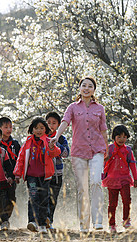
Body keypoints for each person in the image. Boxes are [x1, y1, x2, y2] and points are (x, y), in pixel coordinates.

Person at [49, 77, 108, 233]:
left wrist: (106, 147)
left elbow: (103, 130)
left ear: (94, 90)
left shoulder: (100, 109)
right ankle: (84, 224)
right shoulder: (73, 108)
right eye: (84, 86)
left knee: (96, 182)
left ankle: (97, 221)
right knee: (82, 188)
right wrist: (56, 136)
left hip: (97, 149)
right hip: (79, 152)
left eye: (90, 86)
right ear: (80, 88)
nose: (86, 88)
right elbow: (65, 122)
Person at [14, 117, 61, 234]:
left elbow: (56, 152)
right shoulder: (28, 142)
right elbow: (21, 158)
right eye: (36, 128)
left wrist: (51, 146)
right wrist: (17, 173)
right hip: (31, 176)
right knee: (33, 197)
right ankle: (32, 222)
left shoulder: (48, 141)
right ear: (32, 129)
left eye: (41, 128)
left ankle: (42, 224)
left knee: (44, 199)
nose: (39, 130)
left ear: (45, 129)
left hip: (45, 176)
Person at [102, 125, 137, 233]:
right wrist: (101, 176)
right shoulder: (109, 148)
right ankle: (111, 224)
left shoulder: (128, 150)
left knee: (127, 201)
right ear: (114, 137)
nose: (122, 139)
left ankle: (126, 220)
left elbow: (132, 164)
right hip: (112, 179)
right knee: (112, 203)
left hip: (125, 179)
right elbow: (103, 163)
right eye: (119, 136)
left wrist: (135, 178)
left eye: (124, 137)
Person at [45, 112, 70, 231]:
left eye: (54, 123)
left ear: (59, 125)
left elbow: (66, 154)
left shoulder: (62, 138)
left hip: (57, 174)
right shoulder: (41, 137)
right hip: (44, 173)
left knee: (53, 199)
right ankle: (42, 220)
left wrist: (56, 142)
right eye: (48, 123)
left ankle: (49, 221)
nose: (50, 125)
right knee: (44, 197)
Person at [0, 117, 21, 231]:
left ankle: (6, 218)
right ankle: (1, 220)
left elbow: (20, 159)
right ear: (0, 128)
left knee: (11, 197)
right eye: (6, 127)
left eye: (10, 127)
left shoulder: (15, 144)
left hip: (12, 175)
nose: (9, 129)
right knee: (0, 197)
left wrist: (17, 174)